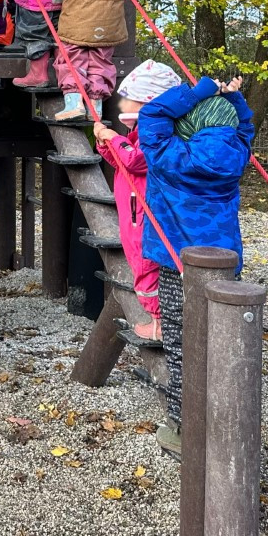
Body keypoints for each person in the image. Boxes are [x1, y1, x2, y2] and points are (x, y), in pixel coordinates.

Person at [137, 72, 255, 453]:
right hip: (224, 262)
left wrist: (201, 89)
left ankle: (184, 427)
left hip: (180, 265)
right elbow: (246, 126)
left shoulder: (174, 158)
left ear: (188, 126)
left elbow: (152, 114)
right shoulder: (236, 156)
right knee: (221, 339)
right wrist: (234, 99)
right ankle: (228, 416)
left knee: (182, 340)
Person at [91, 60, 182, 342]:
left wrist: (114, 139)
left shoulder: (156, 135)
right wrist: (107, 145)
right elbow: (123, 162)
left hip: (141, 212)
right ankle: (160, 317)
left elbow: (136, 160)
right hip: (134, 209)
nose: (120, 105)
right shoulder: (143, 133)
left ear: (147, 103)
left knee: (144, 263)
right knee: (137, 259)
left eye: (127, 99)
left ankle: (160, 321)